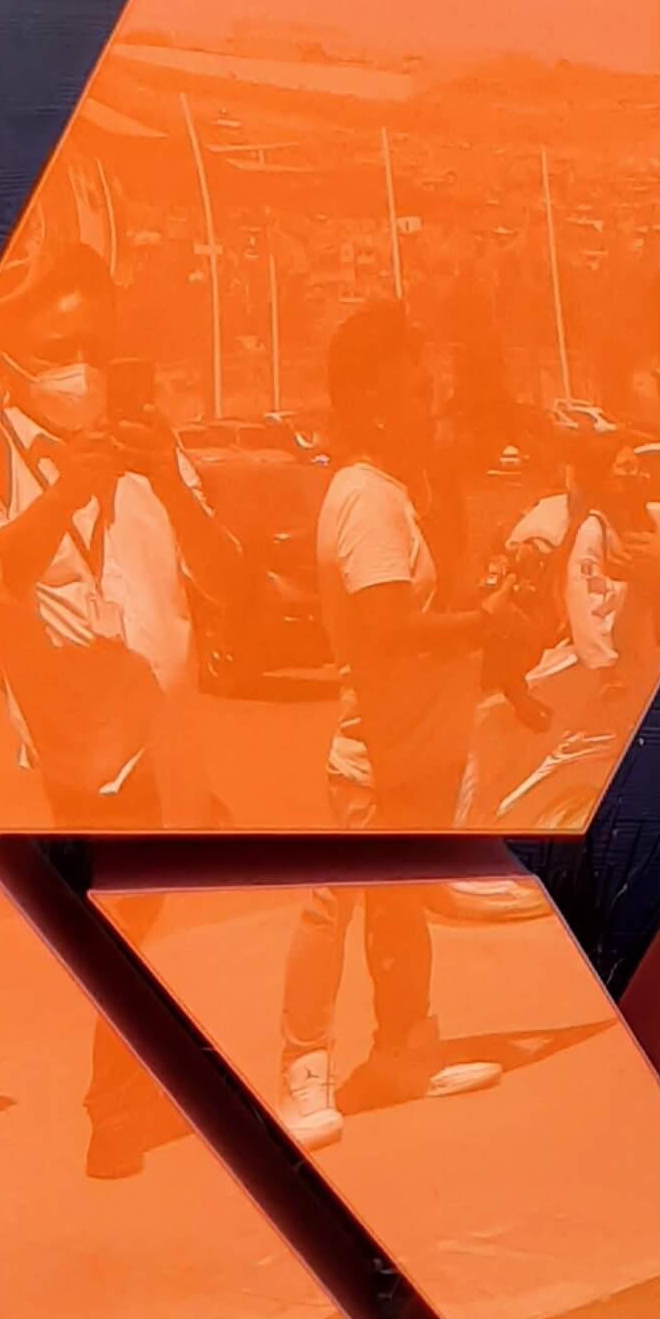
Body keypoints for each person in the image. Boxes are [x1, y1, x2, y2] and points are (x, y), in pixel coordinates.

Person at [0, 248, 245, 1177]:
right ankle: (116, 1102)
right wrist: (75, 483)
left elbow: (226, 580)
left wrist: (167, 480)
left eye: (95, 342)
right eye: (58, 344)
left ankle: (136, 1078)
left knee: (145, 902)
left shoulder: (150, 439)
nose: (81, 365)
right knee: (127, 901)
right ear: (11, 356)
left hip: (168, 724)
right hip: (82, 741)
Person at [278, 298, 535, 1144]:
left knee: (401, 905)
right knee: (335, 905)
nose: (433, 406)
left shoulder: (401, 490)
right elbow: (386, 631)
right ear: (378, 405)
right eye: (419, 393)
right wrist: (486, 620)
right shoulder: (366, 499)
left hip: (420, 751)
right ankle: (302, 1068)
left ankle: (405, 1051)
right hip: (374, 758)